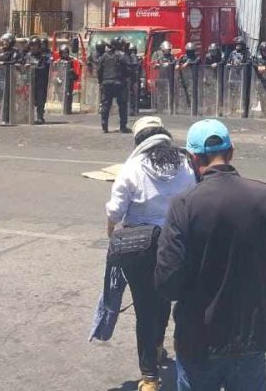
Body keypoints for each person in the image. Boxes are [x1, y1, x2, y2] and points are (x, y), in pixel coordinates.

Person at [156, 120, 266, 391]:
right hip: (250, 332)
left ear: (192, 158)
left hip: (200, 335)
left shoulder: (184, 204)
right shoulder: (264, 196)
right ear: (231, 152)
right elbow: (265, 245)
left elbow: (168, 282)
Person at [106, 116, 197, 391]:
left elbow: (115, 211)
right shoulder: (184, 165)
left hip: (138, 247)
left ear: (138, 140)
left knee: (144, 308)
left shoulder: (132, 167)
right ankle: (157, 346)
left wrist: (111, 233)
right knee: (164, 299)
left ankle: (149, 377)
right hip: (174, 244)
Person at [99, 38, 132, 134]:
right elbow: (129, 68)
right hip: (119, 83)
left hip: (107, 83)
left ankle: (104, 125)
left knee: (105, 104)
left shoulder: (104, 56)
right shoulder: (122, 56)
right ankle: (123, 126)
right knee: (122, 105)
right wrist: (126, 77)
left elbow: (99, 69)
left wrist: (101, 81)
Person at [29, 38, 51, 124]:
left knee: (40, 100)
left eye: (35, 46)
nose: (33, 48)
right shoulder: (28, 56)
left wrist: (35, 68)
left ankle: (40, 117)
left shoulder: (43, 57)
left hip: (40, 82)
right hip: (29, 82)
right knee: (29, 100)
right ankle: (28, 116)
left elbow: (44, 68)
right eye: (32, 46)